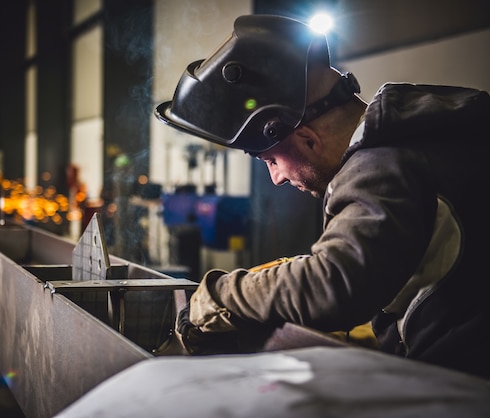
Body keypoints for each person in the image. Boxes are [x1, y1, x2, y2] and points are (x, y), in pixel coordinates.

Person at [154, 15, 490, 379]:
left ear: (308, 139)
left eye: (270, 160)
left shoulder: (382, 164)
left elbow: (335, 282)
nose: (277, 178)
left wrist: (221, 297)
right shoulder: (424, 139)